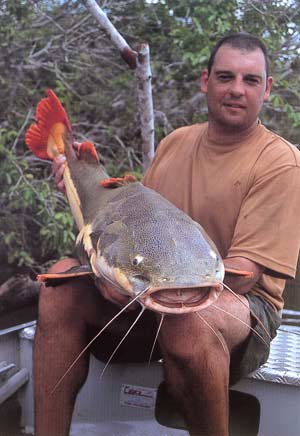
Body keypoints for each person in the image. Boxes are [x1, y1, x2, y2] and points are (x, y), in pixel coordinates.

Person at [34, 33, 300, 436]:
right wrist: (79, 178)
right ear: (205, 81)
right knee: (58, 287)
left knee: (194, 322)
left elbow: (247, 273)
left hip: (242, 306)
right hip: (150, 291)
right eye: (225, 77)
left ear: (267, 88)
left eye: (250, 80)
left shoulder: (281, 162)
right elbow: (136, 221)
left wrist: (154, 285)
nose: (236, 90)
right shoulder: (176, 142)